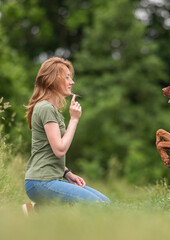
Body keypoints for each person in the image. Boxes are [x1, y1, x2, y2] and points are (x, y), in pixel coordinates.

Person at [22, 57, 110, 215]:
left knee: (106, 203)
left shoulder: (51, 110)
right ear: (53, 79)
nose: (72, 82)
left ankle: (34, 211)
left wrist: (67, 173)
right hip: (41, 181)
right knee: (99, 205)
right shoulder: (45, 108)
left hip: (49, 179)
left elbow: (47, 151)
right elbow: (59, 149)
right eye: (67, 77)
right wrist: (74, 120)